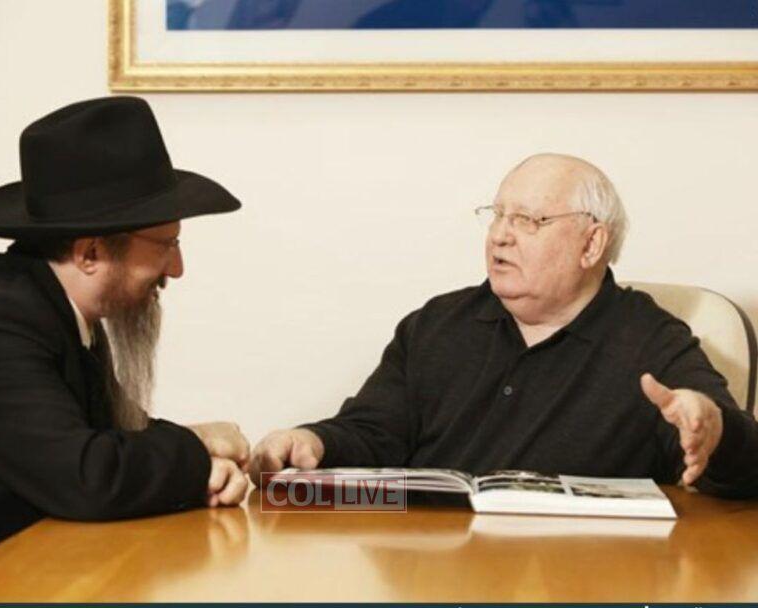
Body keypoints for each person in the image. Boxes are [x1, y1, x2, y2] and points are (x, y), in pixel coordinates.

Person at [250, 153, 758, 498]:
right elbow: (374, 433)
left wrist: (715, 430)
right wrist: (313, 441)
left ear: (591, 244)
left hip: (580, 582)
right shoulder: (436, 325)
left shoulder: (651, 340)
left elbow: (735, 463)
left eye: (528, 221)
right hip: (438, 574)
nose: (499, 236)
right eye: (497, 215)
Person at [0, 96, 249, 561]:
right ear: (90, 253)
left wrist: (200, 465)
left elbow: (110, 435)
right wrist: (197, 447)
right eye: (165, 245)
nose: (176, 269)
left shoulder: (55, 307)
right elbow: (88, 477)